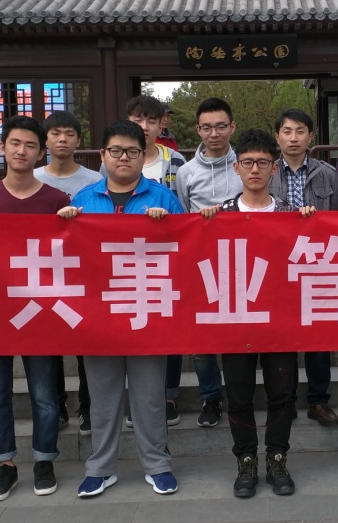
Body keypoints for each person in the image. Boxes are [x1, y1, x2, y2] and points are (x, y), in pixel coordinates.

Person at [58, 119, 181, 498]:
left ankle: (157, 464)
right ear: (102, 155)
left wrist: (167, 226)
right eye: (116, 151)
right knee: (103, 397)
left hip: (148, 310)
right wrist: (65, 225)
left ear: (144, 156)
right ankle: (100, 468)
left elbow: (189, 248)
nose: (123, 158)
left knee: (149, 397)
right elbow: (66, 257)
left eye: (132, 151)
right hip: (99, 315)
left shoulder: (163, 198)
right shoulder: (83, 200)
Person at [203, 129, 316, 497]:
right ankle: (246, 460)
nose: (255, 169)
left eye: (263, 163)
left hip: (280, 321)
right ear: (236, 167)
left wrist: (311, 222)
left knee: (282, 394)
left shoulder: (291, 213)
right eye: (248, 162)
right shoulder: (220, 215)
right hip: (236, 320)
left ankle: (278, 458)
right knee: (239, 396)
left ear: (274, 168)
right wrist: (202, 224)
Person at [0, 116, 71, 502]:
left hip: (39, 311)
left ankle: (44, 460)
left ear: (41, 152)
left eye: (30, 145)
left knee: (45, 395)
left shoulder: (56, 201)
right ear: (3, 147)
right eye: (15, 143)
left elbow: (69, 254)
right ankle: (5, 465)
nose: (21, 151)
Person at [269, 109, 338, 426]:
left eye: (300, 131)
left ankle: (318, 401)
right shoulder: (267, 171)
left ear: (310, 136)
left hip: (317, 264)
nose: (293, 138)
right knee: (283, 337)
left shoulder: (328, 174)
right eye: (287, 131)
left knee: (318, 338)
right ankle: (285, 401)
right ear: (277, 136)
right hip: (277, 265)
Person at [33, 110, 103, 436]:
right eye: (56, 133)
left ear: (78, 140)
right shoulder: (34, 177)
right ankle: (58, 407)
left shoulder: (93, 180)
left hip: (86, 272)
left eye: (69, 134)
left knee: (87, 342)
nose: (62, 139)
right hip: (46, 271)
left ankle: (87, 408)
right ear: (45, 140)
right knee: (51, 343)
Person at [175, 97, 241, 428]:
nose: (214, 134)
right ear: (198, 130)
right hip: (201, 265)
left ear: (232, 127)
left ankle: (240, 396)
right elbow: (183, 216)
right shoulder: (185, 173)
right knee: (202, 339)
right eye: (207, 127)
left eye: (220, 126)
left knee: (240, 333)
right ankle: (210, 398)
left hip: (243, 262)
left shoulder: (246, 164)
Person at [126, 95, 187, 426]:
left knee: (169, 327)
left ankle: (169, 395)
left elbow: (184, 210)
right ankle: (136, 397)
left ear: (161, 124)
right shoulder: (117, 158)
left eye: (151, 120)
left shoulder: (175, 161)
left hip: (166, 258)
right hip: (126, 259)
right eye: (138, 120)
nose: (144, 127)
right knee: (133, 327)